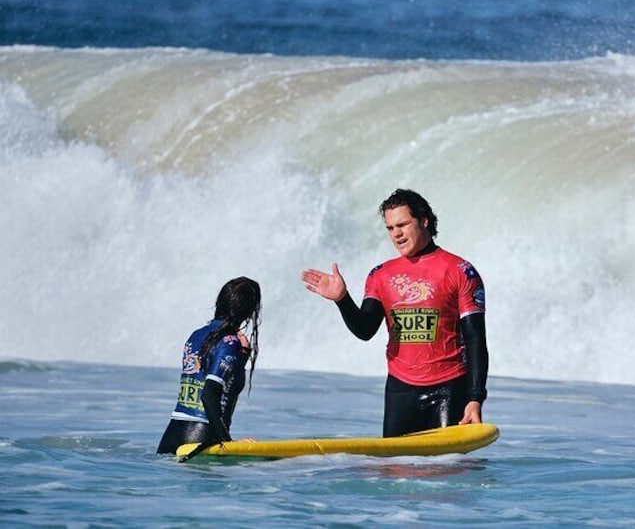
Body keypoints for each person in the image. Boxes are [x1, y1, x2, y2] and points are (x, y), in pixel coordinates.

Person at [301, 188, 488, 437]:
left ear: (424, 222)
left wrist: (475, 398)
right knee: (396, 471)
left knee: (446, 470)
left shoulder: (460, 271)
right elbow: (365, 330)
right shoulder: (381, 275)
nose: (396, 234)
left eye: (402, 224)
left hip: (448, 388)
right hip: (400, 390)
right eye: (390, 228)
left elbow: (476, 341)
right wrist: (342, 299)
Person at [157, 276, 262, 454]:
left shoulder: (196, 335)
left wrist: (242, 357)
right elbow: (209, 394)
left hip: (172, 436)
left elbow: (218, 384)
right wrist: (228, 443)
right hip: (201, 440)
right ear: (248, 312)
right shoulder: (230, 343)